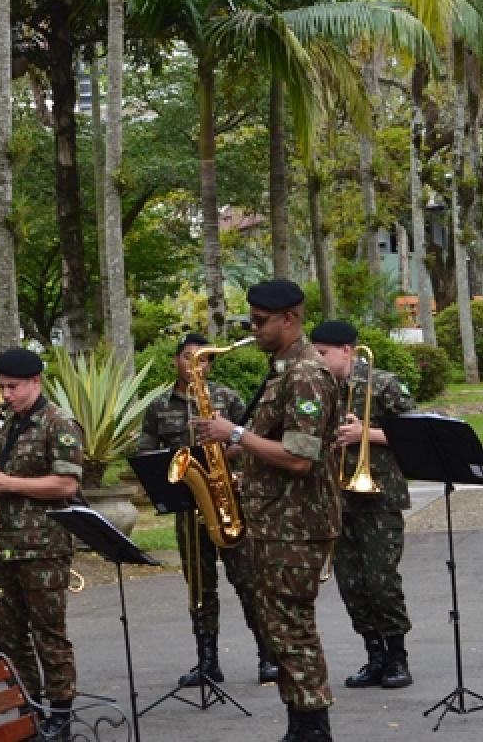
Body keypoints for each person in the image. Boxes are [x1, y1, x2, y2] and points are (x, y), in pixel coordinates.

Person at [194, 280, 342, 742]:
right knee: (278, 625)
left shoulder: (305, 375)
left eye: (260, 322)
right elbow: (275, 444)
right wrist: (227, 453)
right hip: (276, 520)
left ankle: (313, 728)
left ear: (290, 319)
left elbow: (300, 457)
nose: (252, 330)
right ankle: (300, 723)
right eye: (251, 321)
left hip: (296, 523)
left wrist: (234, 435)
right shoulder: (282, 370)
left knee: (291, 627)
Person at [137, 333, 273, 686]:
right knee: (199, 586)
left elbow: (252, 439)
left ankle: (268, 655)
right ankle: (208, 661)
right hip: (188, 504)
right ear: (176, 361)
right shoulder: (159, 406)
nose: (195, 363)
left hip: (228, 498)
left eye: (203, 359)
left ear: (209, 365)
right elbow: (147, 452)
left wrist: (224, 458)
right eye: (187, 357)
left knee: (248, 580)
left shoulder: (227, 397)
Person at [0, 348, 83, 742]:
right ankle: (28, 708)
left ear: (36, 382)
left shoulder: (59, 423)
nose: (6, 395)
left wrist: (7, 483)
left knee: (48, 634)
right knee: (7, 635)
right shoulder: (7, 426)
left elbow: (67, 484)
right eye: (3, 387)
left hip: (44, 547)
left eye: (14, 387)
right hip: (7, 546)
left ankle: (60, 715)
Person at [311, 319, 415, 690]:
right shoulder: (319, 387)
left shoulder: (383, 384)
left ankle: (397, 656)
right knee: (351, 584)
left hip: (378, 497)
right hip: (339, 498)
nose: (319, 361)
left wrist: (364, 433)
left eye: (323, 354)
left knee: (381, 581)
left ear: (346, 351)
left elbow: (414, 434)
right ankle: (374, 655)